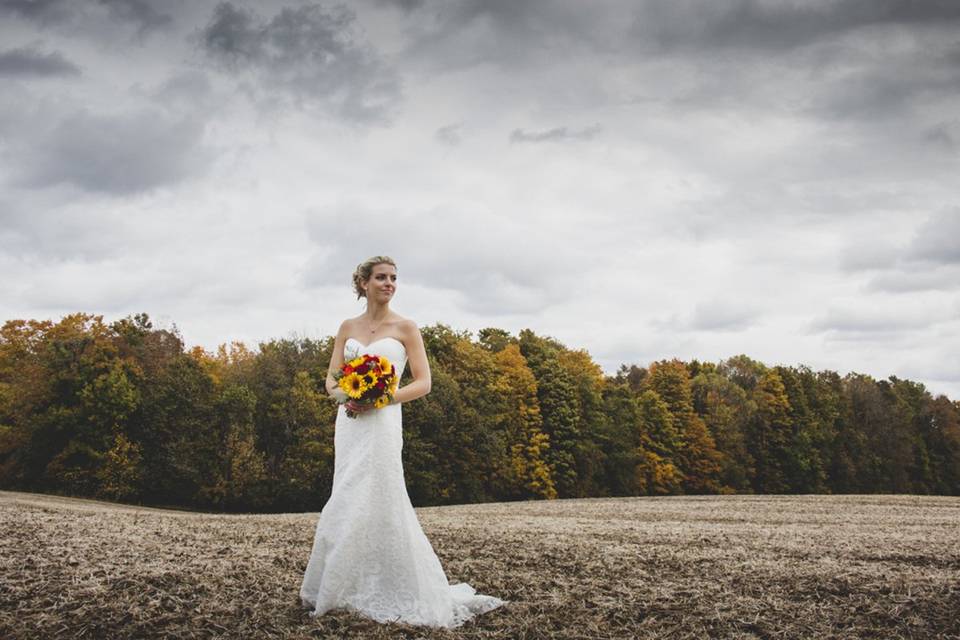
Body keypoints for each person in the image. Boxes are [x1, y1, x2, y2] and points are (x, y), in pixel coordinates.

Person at [299, 255, 508, 628]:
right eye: (381, 277)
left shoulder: (406, 327)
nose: (389, 283)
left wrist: (379, 398)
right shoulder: (347, 327)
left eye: (393, 278)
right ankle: (341, 587)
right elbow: (330, 380)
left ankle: (395, 585)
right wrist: (346, 397)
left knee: (381, 493)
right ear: (363, 283)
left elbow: (423, 383)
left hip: (382, 420)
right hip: (349, 421)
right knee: (346, 494)